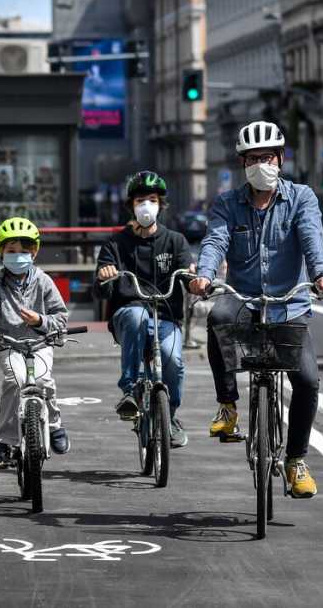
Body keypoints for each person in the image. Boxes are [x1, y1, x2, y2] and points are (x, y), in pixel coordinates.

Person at [188, 119, 323, 499]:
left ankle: (296, 460)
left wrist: (321, 274)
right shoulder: (227, 204)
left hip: (290, 304)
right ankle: (227, 406)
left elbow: (311, 238)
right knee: (218, 318)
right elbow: (215, 241)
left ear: (280, 159)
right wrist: (204, 275)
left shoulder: (301, 197)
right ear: (243, 163)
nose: (260, 165)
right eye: (253, 159)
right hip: (243, 299)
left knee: (307, 381)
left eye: (267, 157)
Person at [96, 170, 194, 449]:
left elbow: (188, 276)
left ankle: (170, 417)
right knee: (136, 315)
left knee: (173, 359)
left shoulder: (175, 241)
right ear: (132, 205)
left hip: (166, 317)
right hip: (129, 315)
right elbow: (100, 291)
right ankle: (129, 390)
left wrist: (196, 281)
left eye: (152, 199)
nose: (146, 205)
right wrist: (104, 276)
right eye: (140, 200)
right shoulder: (115, 244)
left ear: (161, 204)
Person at [0, 217, 71, 468]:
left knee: (43, 380)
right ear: (1, 253)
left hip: (40, 343)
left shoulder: (44, 281)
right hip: (8, 344)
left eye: (23, 251)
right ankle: (4, 442)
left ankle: (54, 425)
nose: (17, 256)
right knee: (14, 381)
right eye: (11, 251)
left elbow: (60, 316)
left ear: (34, 252)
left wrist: (40, 320)